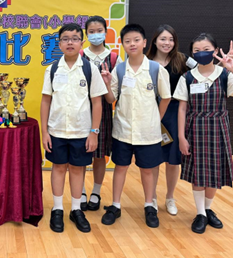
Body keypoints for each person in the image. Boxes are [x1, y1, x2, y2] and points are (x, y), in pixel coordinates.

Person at [174, 35, 233, 234]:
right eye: (197, 50)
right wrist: (181, 137)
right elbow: (182, 109)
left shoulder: (225, 75)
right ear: (192, 53)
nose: (201, 53)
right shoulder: (187, 77)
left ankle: (208, 209)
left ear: (216, 51)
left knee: (214, 174)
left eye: (206, 49)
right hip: (194, 129)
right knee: (198, 174)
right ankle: (200, 213)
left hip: (218, 129)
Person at [101, 24, 171, 228]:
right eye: (127, 41)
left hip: (148, 132)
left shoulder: (156, 69)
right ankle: (115, 205)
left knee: (148, 170)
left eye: (136, 40)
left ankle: (149, 206)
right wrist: (107, 84)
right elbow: (111, 99)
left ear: (145, 43)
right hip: (122, 130)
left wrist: (156, 119)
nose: (132, 44)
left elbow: (166, 97)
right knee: (120, 167)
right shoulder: (119, 69)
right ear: (122, 44)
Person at [41, 23, 107, 233]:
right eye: (65, 39)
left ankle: (76, 209)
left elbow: (97, 103)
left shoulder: (90, 69)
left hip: (81, 131)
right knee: (58, 168)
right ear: (59, 43)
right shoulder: (52, 69)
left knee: (78, 169)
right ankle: (58, 209)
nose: (70, 42)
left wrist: (94, 132)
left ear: (82, 42)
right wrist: (44, 132)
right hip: (57, 130)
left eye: (75, 38)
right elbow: (45, 101)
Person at [146, 25, 196, 215]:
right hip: (152, 112)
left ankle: (170, 197)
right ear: (154, 41)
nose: (167, 43)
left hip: (175, 114)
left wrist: (226, 64)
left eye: (171, 39)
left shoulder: (183, 59)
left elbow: (204, 70)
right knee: (153, 158)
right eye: (163, 39)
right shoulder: (146, 62)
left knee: (173, 160)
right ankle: (151, 197)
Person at [79, 16, 121, 212]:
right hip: (80, 111)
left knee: (100, 155)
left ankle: (96, 192)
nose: (96, 35)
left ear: (106, 32)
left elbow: (113, 97)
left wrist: (107, 84)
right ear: (86, 34)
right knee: (80, 153)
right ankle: (80, 191)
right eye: (91, 32)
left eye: (99, 31)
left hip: (103, 112)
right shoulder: (80, 55)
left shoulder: (114, 58)